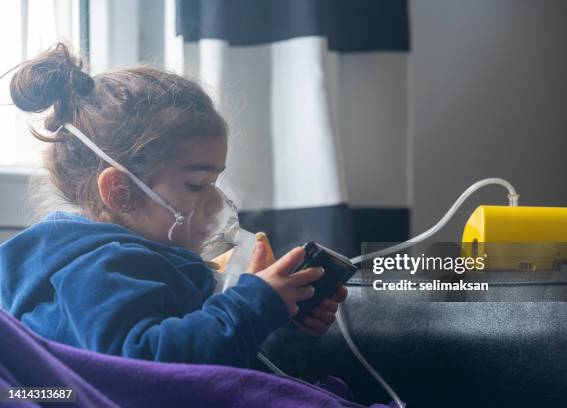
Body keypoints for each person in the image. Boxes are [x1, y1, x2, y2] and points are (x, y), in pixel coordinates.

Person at [0, 43, 348, 377]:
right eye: (197, 185)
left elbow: (215, 368)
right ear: (120, 192)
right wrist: (249, 306)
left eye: (216, 183)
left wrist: (281, 322)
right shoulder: (100, 268)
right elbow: (143, 369)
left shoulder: (157, 260)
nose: (215, 203)